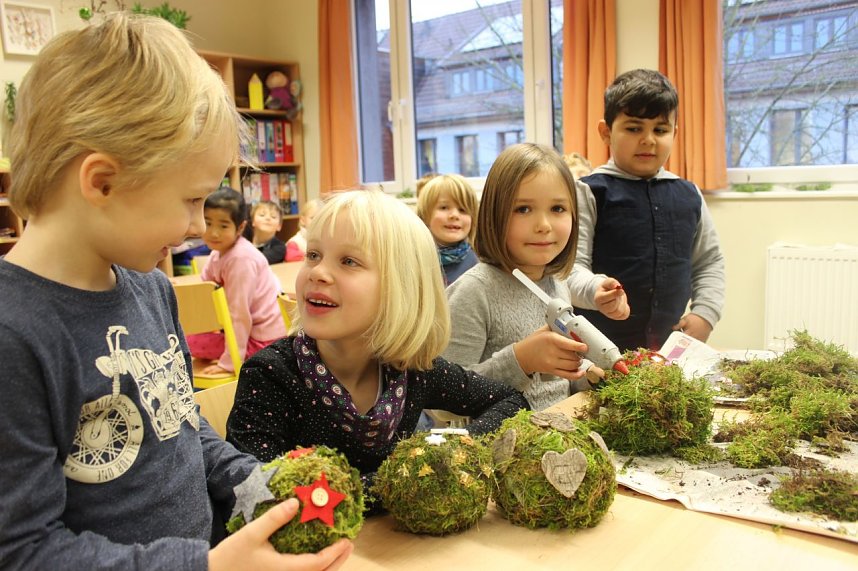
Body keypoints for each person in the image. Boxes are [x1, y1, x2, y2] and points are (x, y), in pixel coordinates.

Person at [0, 14, 351, 571]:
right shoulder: (14, 336)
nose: (196, 226)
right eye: (191, 200)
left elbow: (182, 434)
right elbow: (23, 552)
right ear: (102, 181)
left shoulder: (151, 289)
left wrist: (259, 483)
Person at [225, 190, 528, 503]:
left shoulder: (410, 370)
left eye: (348, 261)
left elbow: (510, 401)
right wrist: (399, 480)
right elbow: (255, 496)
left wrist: (453, 451)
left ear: (402, 287)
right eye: (313, 255)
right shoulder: (271, 375)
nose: (317, 272)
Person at [443, 143, 628, 412]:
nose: (544, 225)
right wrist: (520, 361)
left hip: (557, 441)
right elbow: (444, 402)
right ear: (494, 215)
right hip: (495, 449)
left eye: (558, 209)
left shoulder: (557, 285)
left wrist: (587, 375)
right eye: (523, 209)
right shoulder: (473, 292)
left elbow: (554, 385)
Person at [568, 69, 726, 352]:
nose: (648, 140)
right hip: (599, 354)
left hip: (670, 352)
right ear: (606, 132)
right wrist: (594, 289)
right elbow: (568, 269)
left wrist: (706, 314)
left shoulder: (690, 194)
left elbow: (709, 262)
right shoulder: (587, 192)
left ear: (674, 133)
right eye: (633, 128)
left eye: (660, 130)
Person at [187, 187, 287, 376]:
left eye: (223, 226)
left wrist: (229, 362)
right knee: (186, 335)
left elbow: (240, 315)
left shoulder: (241, 259)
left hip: (264, 341)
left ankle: (238, 356)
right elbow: (206, 293)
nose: (214, 233)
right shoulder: (218, 253)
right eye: (208, 223)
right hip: (243, 331)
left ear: (240, 228)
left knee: (187, 341)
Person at [416, 173, 479, 285]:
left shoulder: (477, 264)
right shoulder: (414, 260)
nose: (455, 215)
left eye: (463, 210)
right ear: (425, 216)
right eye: (444, 207)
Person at [247, 199, 287, 264]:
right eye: (262, 215)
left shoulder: (280, 247)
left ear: (279, 226)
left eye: (273, 217)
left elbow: (257, 261)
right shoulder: (244, 243)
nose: (268, 218)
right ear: (253, 222)